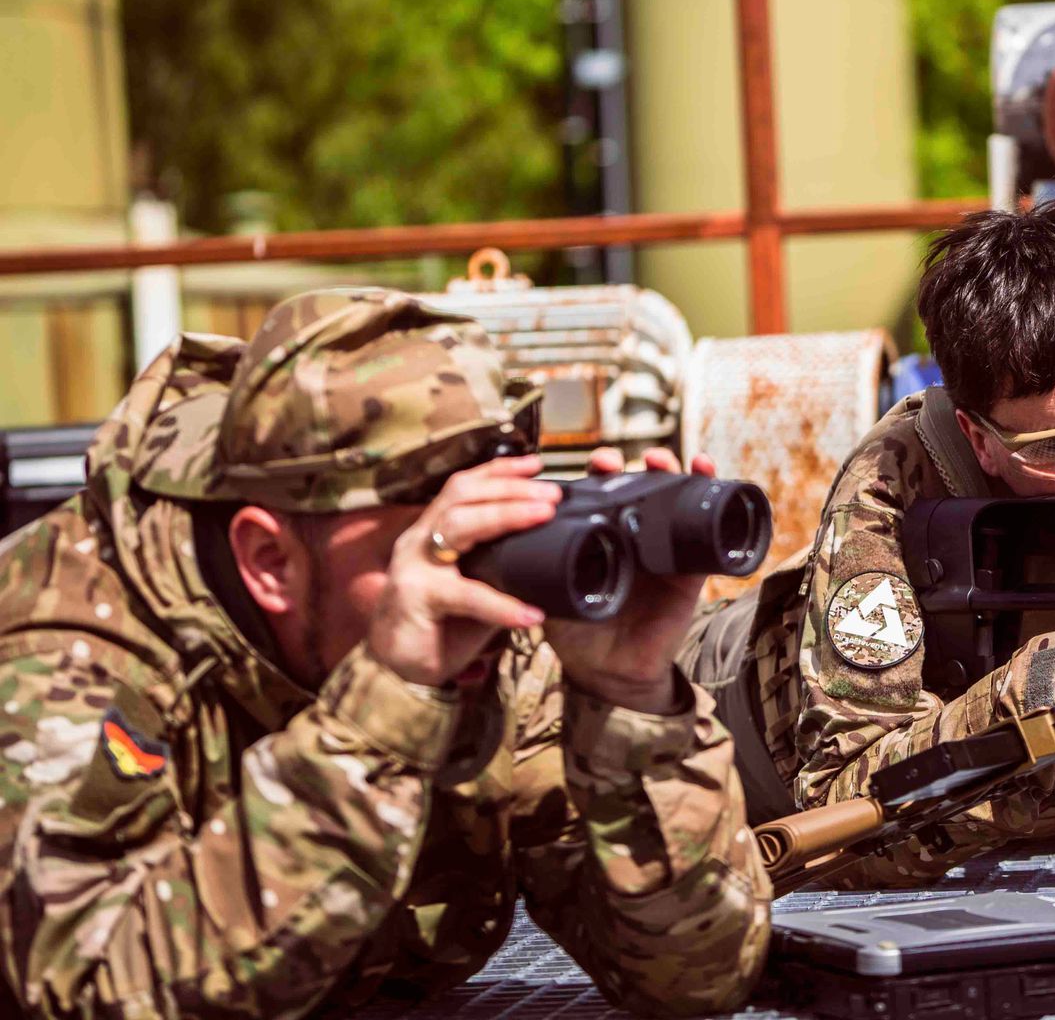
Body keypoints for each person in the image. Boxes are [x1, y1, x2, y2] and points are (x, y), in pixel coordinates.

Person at [0, 288, 769, 1018]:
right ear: (269, 561)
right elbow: (87, 988)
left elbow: (696, 975)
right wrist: (384, 711)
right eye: (423, 546)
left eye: (488, 537)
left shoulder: (484, 629)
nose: (456, 581)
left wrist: (628, 695)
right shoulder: (67, 655)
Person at [685, 196, 1055, 886]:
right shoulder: (896, 488)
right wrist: (1053, 679)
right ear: (981, 439)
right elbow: (840, 807)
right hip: (694, 725)